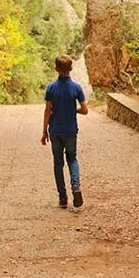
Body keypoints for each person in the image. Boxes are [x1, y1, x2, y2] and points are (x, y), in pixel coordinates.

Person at [41, 55, 88, 209]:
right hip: (70, 131)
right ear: (71, 69)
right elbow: (85, 110)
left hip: (55, 131)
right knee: (72, 159)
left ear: (56, 69)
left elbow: (48, 111)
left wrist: (44, 131)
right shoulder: (76, 88)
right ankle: (76, 188)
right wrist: (73, 109)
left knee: (58, 163)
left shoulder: (51, 88)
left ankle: (62, 197)